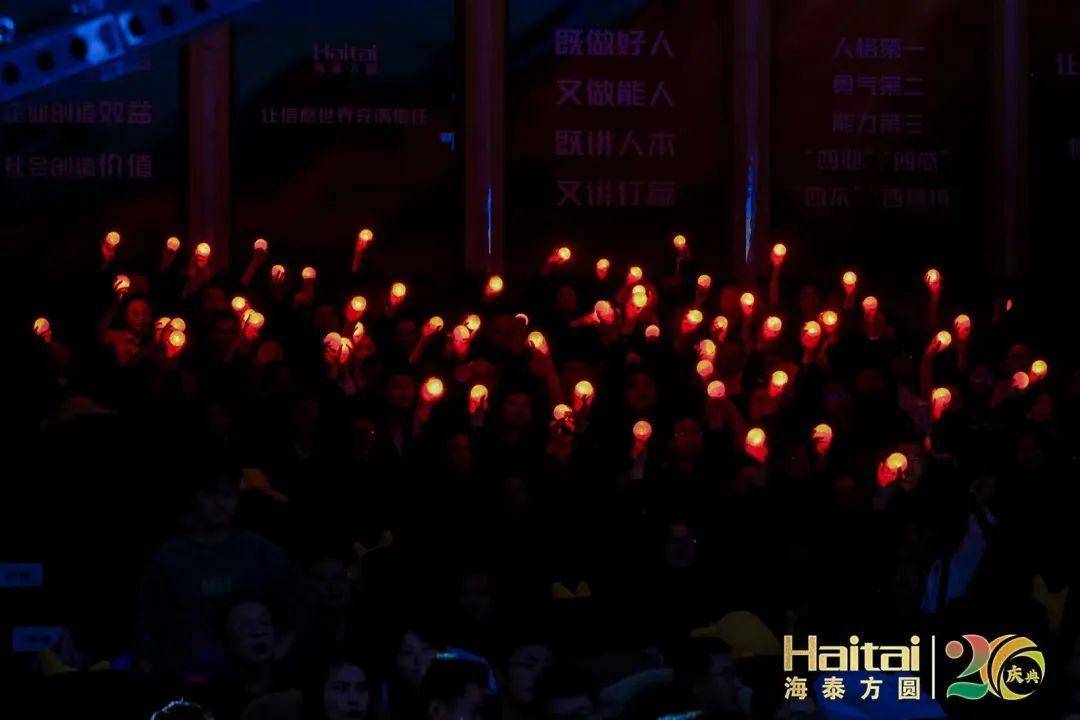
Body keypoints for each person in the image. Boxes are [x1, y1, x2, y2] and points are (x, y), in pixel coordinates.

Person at [135, 450, 297, 680]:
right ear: (194, 496)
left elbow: (298, 608)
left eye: (228, 494)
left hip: (251, 683)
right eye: (211, 494)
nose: (220, 503)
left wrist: (275, 656)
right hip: (188, 683)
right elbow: (147, 630)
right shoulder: (169, 559)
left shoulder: (261, 551)